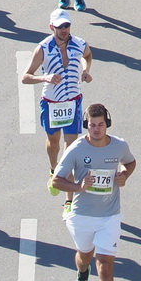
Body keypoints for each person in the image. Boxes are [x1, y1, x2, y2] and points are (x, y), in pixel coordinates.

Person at [52, 102, 133, 281]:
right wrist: (78, 187)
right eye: (92, 125)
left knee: (106, 266)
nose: (96, 129)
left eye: (100, 125)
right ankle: (82, 273)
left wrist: (124, 176)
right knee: (85, 256)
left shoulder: (119, 146)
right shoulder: (77, 149)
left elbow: (130, 162)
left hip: (110, 216)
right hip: (82, 216)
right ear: (86, 125)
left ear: (107, 124)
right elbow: (57, 180)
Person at [21, 10, 93, 182]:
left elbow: (88, 55)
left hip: (73, 101)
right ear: (52, 27)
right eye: (60, 26)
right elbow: (25, 77)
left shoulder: (79, 44)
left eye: (67, 26)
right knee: (54, 143)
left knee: (70, 146)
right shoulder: (43, 49)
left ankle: (67, 191)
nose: (64, 30)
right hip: (52, 103)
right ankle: (54, 169)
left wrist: (86, 70)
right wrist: (45, 77)